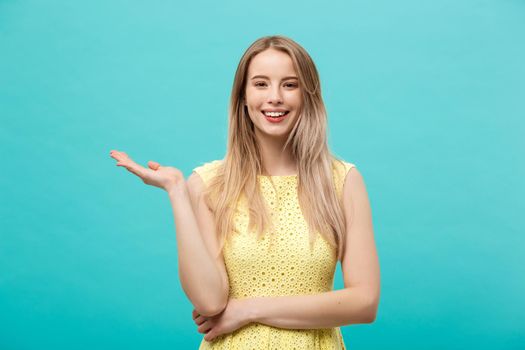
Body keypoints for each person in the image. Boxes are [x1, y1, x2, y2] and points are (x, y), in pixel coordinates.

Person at [109, 35, 380, 350]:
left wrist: (249, 309)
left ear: (308, 96)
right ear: (243, 96)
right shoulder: (208, 183)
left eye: (289, 85)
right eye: (261, 84)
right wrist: (178, 193)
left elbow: (365, 302)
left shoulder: (342, 181)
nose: (275, 97)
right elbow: (210, 301)